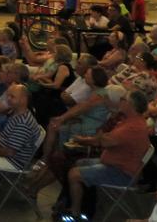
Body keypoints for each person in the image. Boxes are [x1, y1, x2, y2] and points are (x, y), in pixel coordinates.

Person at [64, 89, 152, 219]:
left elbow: (105, 141)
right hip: (116, 164)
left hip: (122, 173)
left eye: (123, 99)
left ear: (130, 105)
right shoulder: (132, 121)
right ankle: (86, 207)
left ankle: (75, 213)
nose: (120, 101)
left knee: (73, 174)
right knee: (79, 163)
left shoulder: (132, 127)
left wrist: (96, 135)